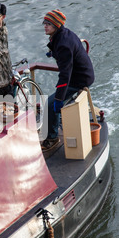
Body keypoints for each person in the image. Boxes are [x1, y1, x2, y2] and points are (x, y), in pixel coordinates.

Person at [42, 9, 95, 151]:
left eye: (48, 24)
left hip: (79, 79)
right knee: (54, 101)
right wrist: (53, 52)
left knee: (50, 103)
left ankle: (52, 138)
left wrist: (59, 99)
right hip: (82, 73)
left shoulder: (63, 44)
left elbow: (65, 75)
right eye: (44, 23)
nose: (45, 26)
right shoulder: (63, 34)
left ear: (57, 26)